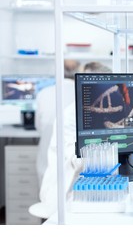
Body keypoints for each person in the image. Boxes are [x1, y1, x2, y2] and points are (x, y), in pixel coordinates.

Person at [29, 62, 112, 219]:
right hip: (69, 187)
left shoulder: (97, 109)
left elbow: (38, 127)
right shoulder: (71, 115)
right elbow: (78, 160)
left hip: (90, 189)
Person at [34, 59, 80, 186]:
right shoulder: (83, 92)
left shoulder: (44, 93)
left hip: (47, 159)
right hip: (73, 162)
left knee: (47, 199)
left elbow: (39, 128)